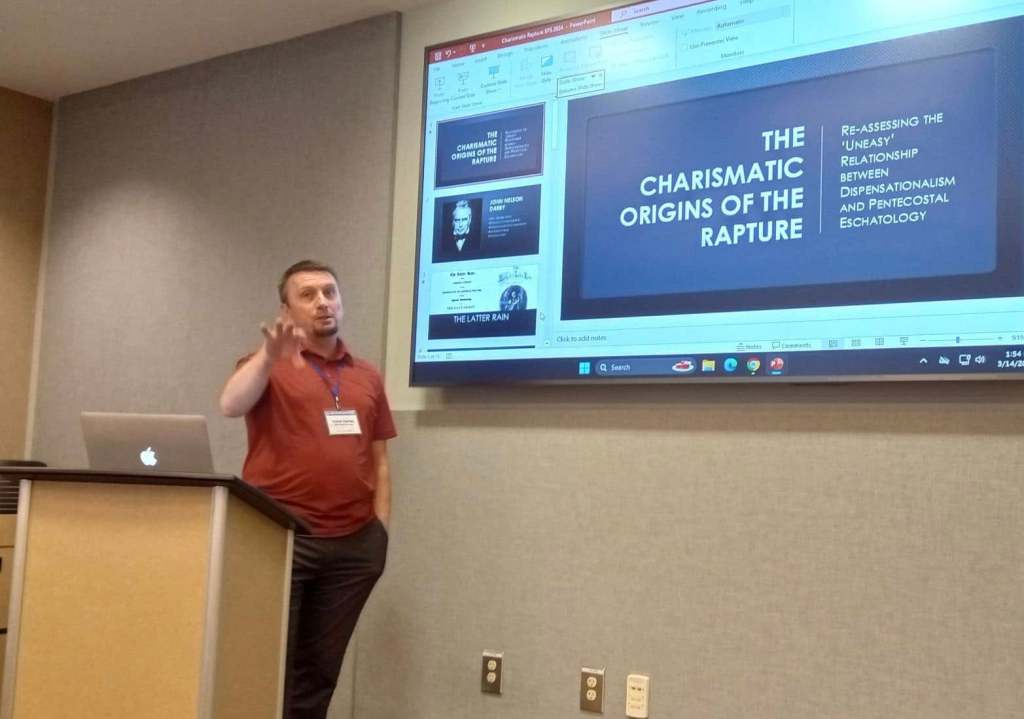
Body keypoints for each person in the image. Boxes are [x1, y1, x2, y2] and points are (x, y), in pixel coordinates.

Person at [219, 259, 396, 719]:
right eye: (308, 295)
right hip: (283, 541)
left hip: (354, 546)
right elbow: (230, 404)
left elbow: (379, 458)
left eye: (330, 292)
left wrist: (380, 531)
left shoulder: (366, 375)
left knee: (320, 672)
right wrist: (267, 355)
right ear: (286, 310)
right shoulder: (264, 366)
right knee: (271, 665)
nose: (323, 302)